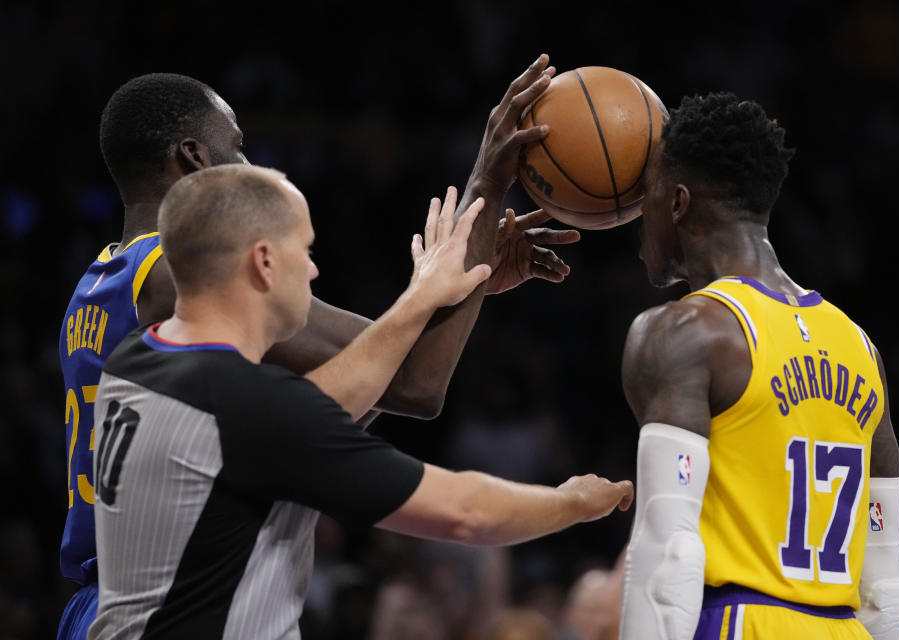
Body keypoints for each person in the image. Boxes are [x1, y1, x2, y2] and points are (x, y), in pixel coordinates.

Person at [57, 55, 576, 638]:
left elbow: (335, 407)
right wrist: (486, 181)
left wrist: (468, 283)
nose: (251, 164)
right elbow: (414, 383)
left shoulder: (98, 284)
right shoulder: (180, 272)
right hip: (176, 595)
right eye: (238, 145)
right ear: (194, 158)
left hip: (116, 589)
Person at [616, 93, 899, 639]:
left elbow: (670, 557)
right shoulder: (860, 346)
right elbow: (886, 587)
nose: (638, 217)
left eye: (646, 198)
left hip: (740, 622)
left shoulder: (685, 331)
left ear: (678, 201)